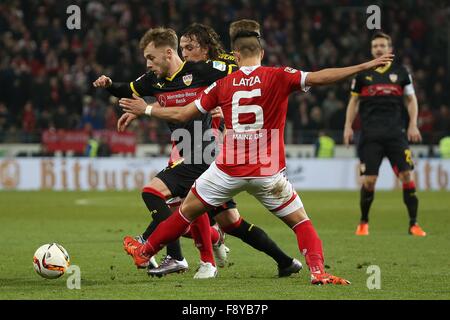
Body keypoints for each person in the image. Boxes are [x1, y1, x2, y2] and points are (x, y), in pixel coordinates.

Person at [119, 24, 394, 285]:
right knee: (301, 223)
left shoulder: (221, 85)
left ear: (235, 56)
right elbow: (321, 77)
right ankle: (318, 272)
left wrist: (146, 109)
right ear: (261, 53)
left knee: (184, 213)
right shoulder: (279, 75)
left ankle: (146, 251)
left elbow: (181, 113)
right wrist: (364, 66)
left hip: (227, 169)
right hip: (267, 171)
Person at [94, 27, 301, 279]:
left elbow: (245, 72)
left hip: (204, 152)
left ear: (167, 54)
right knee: (231, 222)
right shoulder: (153, 81)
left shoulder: (201, 70)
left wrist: (225, 106)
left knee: (155, 193)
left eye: (151, 57)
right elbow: (126, 89)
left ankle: (181, 257)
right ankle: (285, 261)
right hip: (193, 153)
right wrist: (108, 85)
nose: (147, 63)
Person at [343, 32, 426, 237]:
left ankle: (414, 224)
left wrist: (413, 124)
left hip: (396, 135)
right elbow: (354, 102)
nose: (379, 49)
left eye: (382, 46)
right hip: (370, 136)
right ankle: (363, 223)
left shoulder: (402, 72)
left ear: (389, 49)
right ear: (371, 50)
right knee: (369, 181)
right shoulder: (362, 74)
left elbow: (411, 100)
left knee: (407, 176)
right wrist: (348, 126)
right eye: (375, 46)